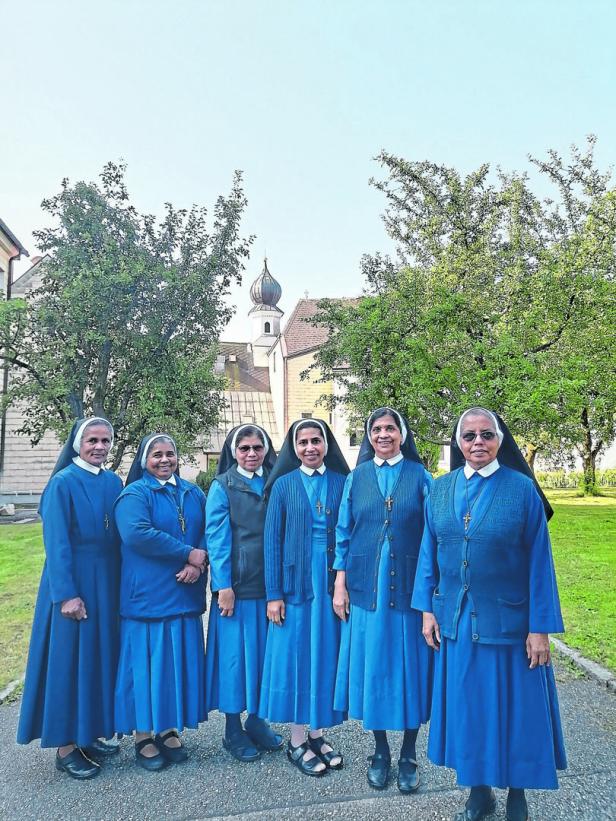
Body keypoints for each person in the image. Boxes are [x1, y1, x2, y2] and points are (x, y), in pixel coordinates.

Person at [412, 407, 567, 821]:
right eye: (469, 436)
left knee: (516, 713)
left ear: (499, 440)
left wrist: (540, 628)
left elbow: (540, 562)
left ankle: (517, 793)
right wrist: (427, 609)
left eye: (486, 435)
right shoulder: (440, 490)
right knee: (469, 712)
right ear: (457, 443)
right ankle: (478, 792)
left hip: (510, 625)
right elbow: (430, 553)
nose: (477, 442)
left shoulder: (522, 490)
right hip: (457, 624)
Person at [333, 407, 433, 793]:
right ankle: (379, 751)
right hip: (365, 587)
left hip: (409, 589)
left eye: (391, 428)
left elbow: (434, 534)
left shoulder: (421, 476)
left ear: (403, 434)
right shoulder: (356, 478)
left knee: (410, 671)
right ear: (369, 436)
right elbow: (344, 531)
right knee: (372, 670)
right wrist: (339, 584)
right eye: (376, 429)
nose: (384, 435)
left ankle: (408, 752)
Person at [17, 417, 123, 779]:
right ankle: (64, 746)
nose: (99, 446)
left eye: (105, 440)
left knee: (94, 659)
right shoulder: (61, 484)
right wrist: (66, 595)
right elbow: (57, 545)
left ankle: (87, 734)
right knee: (67, 661)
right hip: (73, 582)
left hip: (105, 581)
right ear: (77, 443)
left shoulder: (112, 481)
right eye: (92, 440)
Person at [259, 419, 349, 776]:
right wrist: (274, 594)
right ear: (293, 448)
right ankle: (297, 740)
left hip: (329, 584)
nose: (310, 447)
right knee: (297, 657)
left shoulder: (343, 482)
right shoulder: (282, 486)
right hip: (295, 583)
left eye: (316, 441)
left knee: (323, 656)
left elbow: (349, 535)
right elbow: (272, 543)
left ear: (327, 445)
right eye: (303, 442)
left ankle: (317, 733)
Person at [113, 434, 208, 771]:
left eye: (170, 454)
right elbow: (136, 534)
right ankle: (142, 734)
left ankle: (167, 728)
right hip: (149, 596)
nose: (165, 460)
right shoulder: (134, 494)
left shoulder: (192, 491)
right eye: (157, 455)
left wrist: (196, 563)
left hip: (183, 593)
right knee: (145, 666)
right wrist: (187, 553)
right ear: (143, 460)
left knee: (172, 665)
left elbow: (206, 530)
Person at [205, 424, 283, 762]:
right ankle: (232, 729)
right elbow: (217, 540)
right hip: (236, 588)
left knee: (265, 658)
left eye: (257, 447)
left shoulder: (277, 481)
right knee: (235, 660)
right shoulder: (223, 486)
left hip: (271, 586)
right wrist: (223, 586)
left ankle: (256, 720)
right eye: (244, 448)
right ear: (233, 452)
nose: (252, 454)